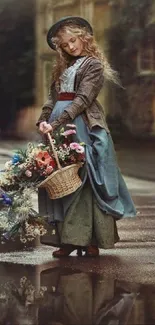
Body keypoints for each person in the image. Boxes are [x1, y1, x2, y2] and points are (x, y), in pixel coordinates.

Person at [36, 16, 136, 258]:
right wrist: (43, 119)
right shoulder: (62, 68)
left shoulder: (93, 65)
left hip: (80, 124)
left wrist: (58, 122)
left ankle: (90, 238)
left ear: (83, 37)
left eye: (73, 40)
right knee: (60, 178)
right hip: (57, 126)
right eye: (65, 45)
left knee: (85, 178)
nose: (71, 47)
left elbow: (83, 99)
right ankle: (67, 240)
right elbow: (53, 98)